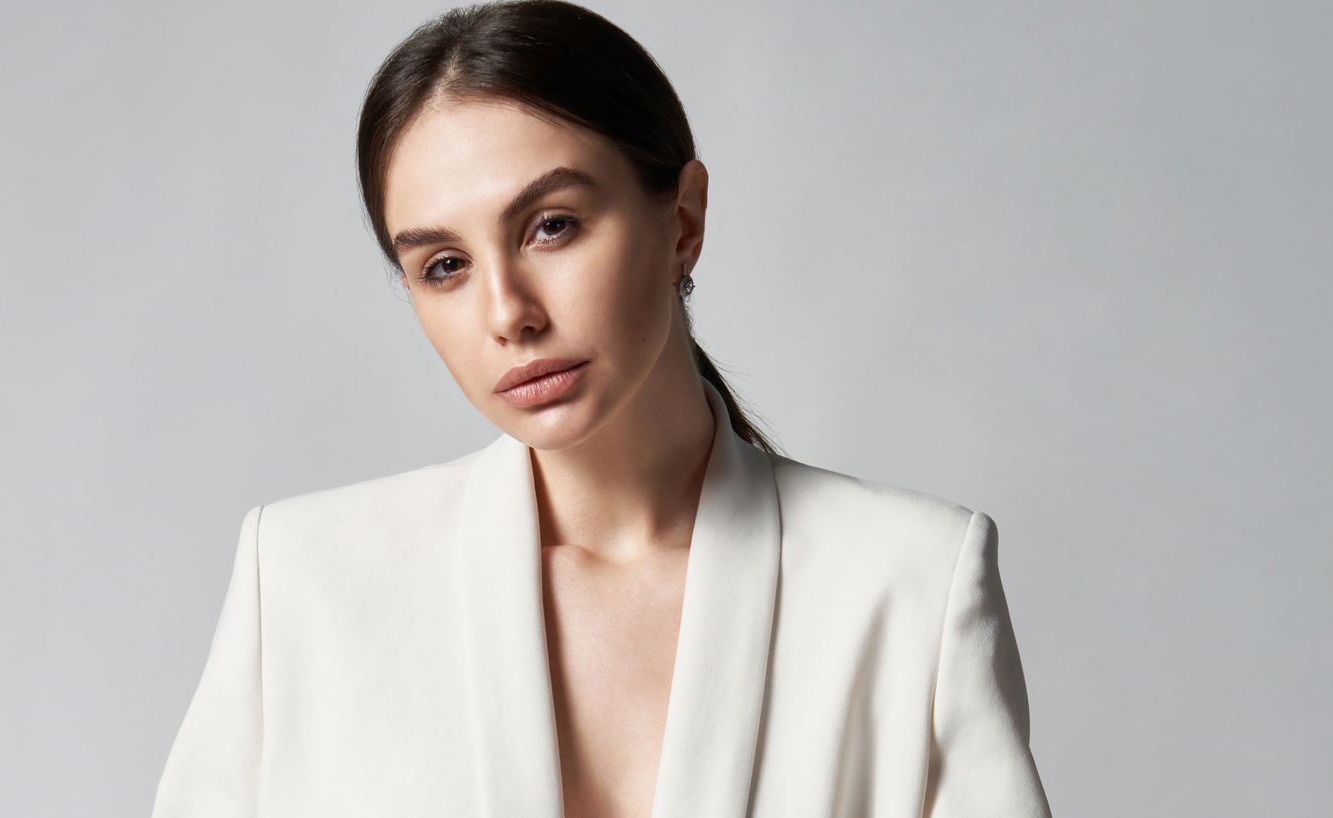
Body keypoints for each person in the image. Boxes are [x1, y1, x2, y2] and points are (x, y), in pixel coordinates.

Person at [149, 1, 1054, 816]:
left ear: (683, 222)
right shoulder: (309, 582)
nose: (508, 314)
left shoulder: (911, 584)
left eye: (552, 225)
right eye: (444, 266)